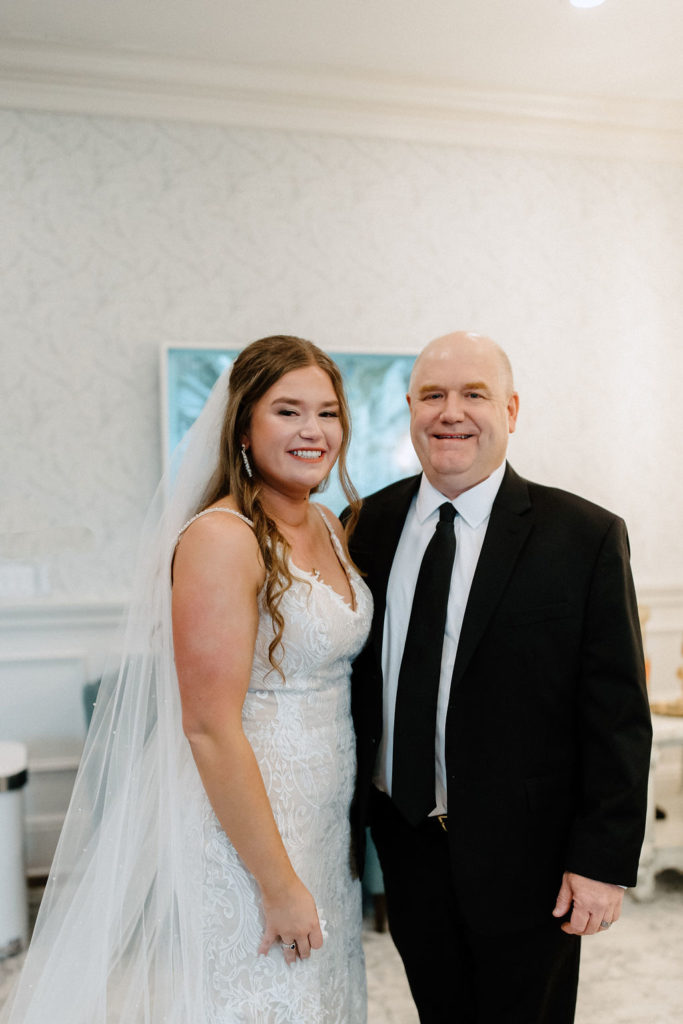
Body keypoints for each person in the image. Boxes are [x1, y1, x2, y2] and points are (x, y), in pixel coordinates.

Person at [2, 336, 371, 1024]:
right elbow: (206, 726)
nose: (312, 431)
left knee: (322, 996)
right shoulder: (221, 538)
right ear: (243, 427)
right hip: (252, 827)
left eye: (327, 412)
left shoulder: (327, 523)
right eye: (287, 411)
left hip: (326, 817)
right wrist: (277, 882)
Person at [347, 331, 652, 1024]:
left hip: (531, 861)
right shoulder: (365, 525)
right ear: (409, 408)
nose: (450, 412)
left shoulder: (584, 536)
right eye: (432, 395)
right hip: (407, 845)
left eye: (473, 394)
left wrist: (601, 861)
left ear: (510, 411)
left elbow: (615, 716)